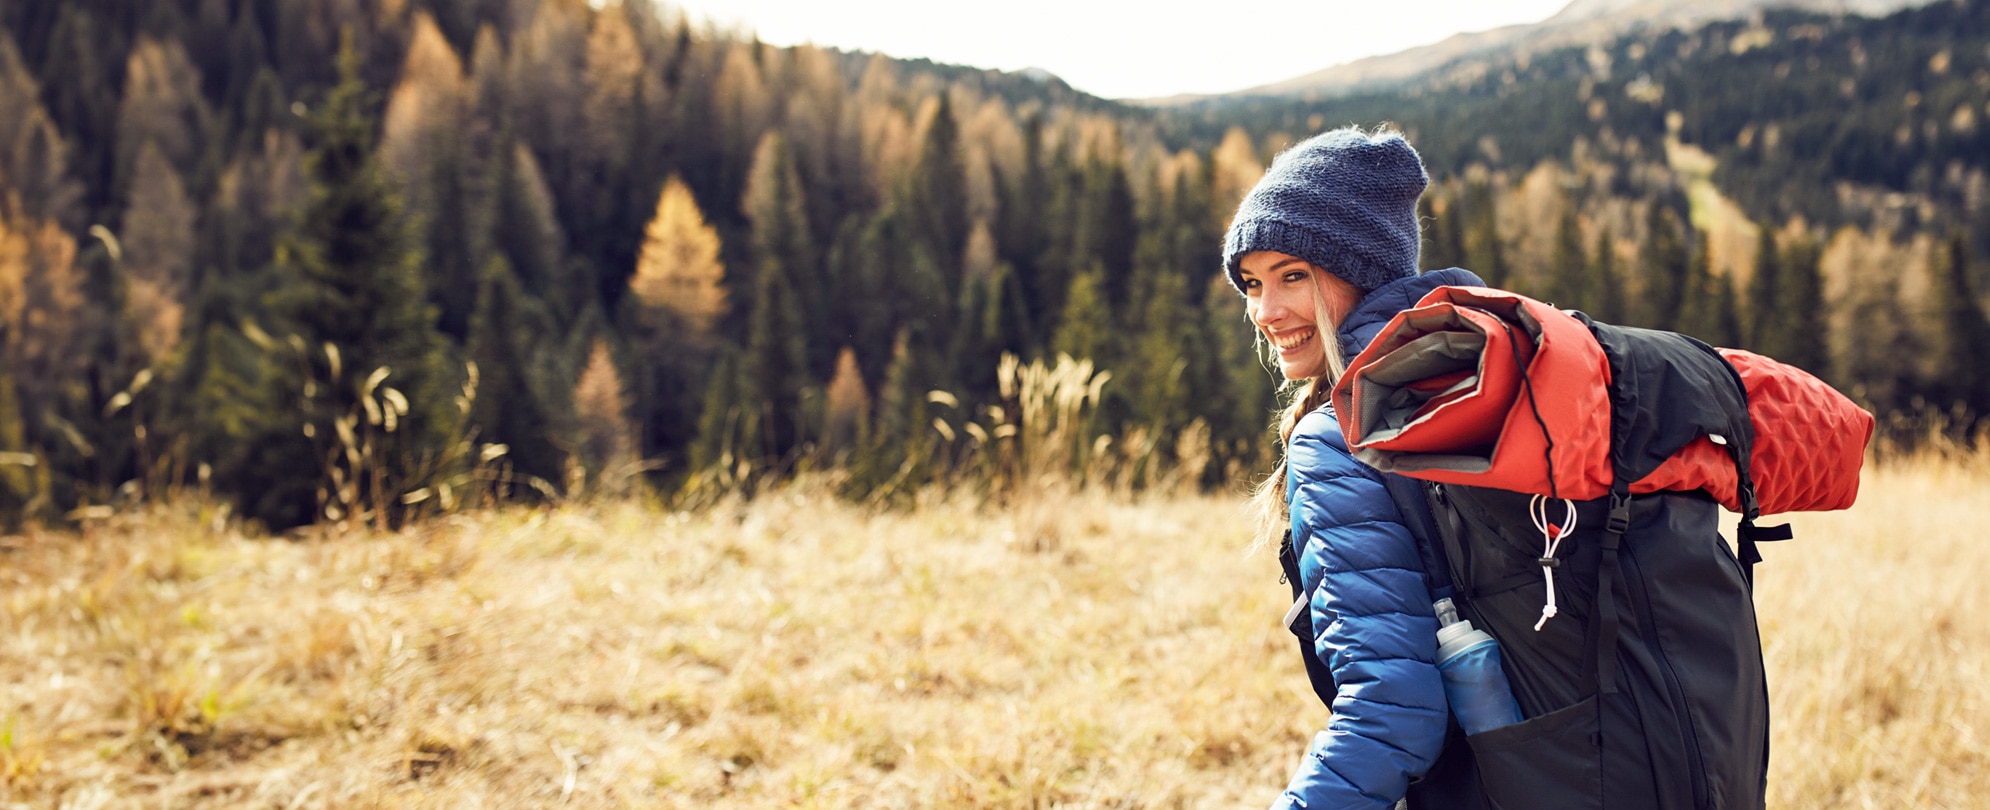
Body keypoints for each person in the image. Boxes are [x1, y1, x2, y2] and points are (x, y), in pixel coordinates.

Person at [1224, 127, 1485, 809]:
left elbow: (1392, 717)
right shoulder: (1473, 376)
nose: (1265, 312)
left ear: (1364, 271)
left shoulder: (1340, 437)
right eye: (1253, 283)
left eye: (1293, 276)